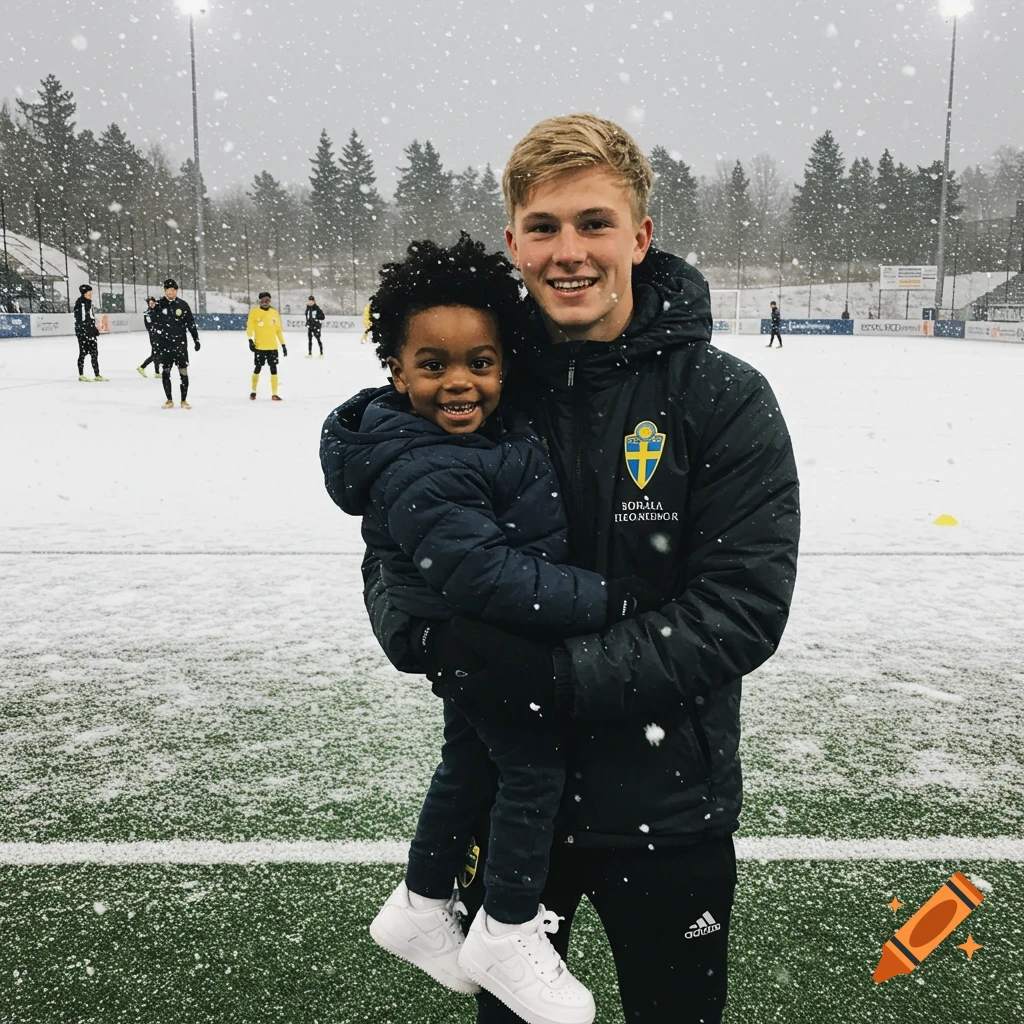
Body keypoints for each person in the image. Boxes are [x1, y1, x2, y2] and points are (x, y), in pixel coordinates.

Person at [361, 114, 800, 1024]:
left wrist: (554, 677)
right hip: (515, 812)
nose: (571, 252)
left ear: (640, 236)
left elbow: (742, 609)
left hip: (672, 811)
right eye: (546, 226)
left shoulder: (721, 398)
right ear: (513, 240)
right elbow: (395, 544)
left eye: (595, 223)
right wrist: (432, 639)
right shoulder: (481, 378)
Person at [322, 235, 663, 1024]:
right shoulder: (423, 461)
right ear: (396, 370)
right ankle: (507, 927)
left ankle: (420, 899)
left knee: (468, 768)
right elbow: (487, 576)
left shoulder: (475, 438)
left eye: (479, 361)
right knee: (530, 774)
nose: (459, 383)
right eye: (433, 365)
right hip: (486, 644)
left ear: (504, 366)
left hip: (482, 645)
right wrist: (609, 598)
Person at [152, 278, 200, 409]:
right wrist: (156, 343)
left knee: (183, 373)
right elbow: (153, 325)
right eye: (168, 290)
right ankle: (169, 400)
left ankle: (184, 400)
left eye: (173, 290)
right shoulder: (159, 305)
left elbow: (191, 323)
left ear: (177, 291)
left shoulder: (183, 305)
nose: (171, 292)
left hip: (180, 345)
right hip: (165, 345)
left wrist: (196, 339)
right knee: (166, 372)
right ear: (165, 291)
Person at [247, 291, 287, 400]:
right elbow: (249, 327)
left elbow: (278, 330)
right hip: (260, 347)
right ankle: (253, 391)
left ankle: (274, 393)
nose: (265, 303)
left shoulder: (274, 313)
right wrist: (250, 340)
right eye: (263, 301)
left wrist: (283, 345)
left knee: (274, 369)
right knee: (258, 368)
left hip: (272, 347)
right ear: (260, 301)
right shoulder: (254, 312)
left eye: (267, 300)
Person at [73, 284, 105, 382]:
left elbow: (90, 317)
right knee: (83, 353)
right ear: (84, 293)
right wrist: (84, 330)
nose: (91, 295)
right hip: (83, 332)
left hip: (90, 332)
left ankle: (97, 374)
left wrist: (93, 328)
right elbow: (81, 318)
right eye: (89, 293)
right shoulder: (80, 303)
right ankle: (81, 374)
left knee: (94, 353)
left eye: (91, 293)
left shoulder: (89, 303)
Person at [137, 296, 161, 377]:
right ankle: (142, 367)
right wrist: (153, 332)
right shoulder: (148, 313)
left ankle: (157, 372)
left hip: (158, 335)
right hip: (154, 335)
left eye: (152, 303)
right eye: (150, 303)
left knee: (156, 353)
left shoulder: (156, 310)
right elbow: (148, 326)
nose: (151, 304)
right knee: (155, 354)